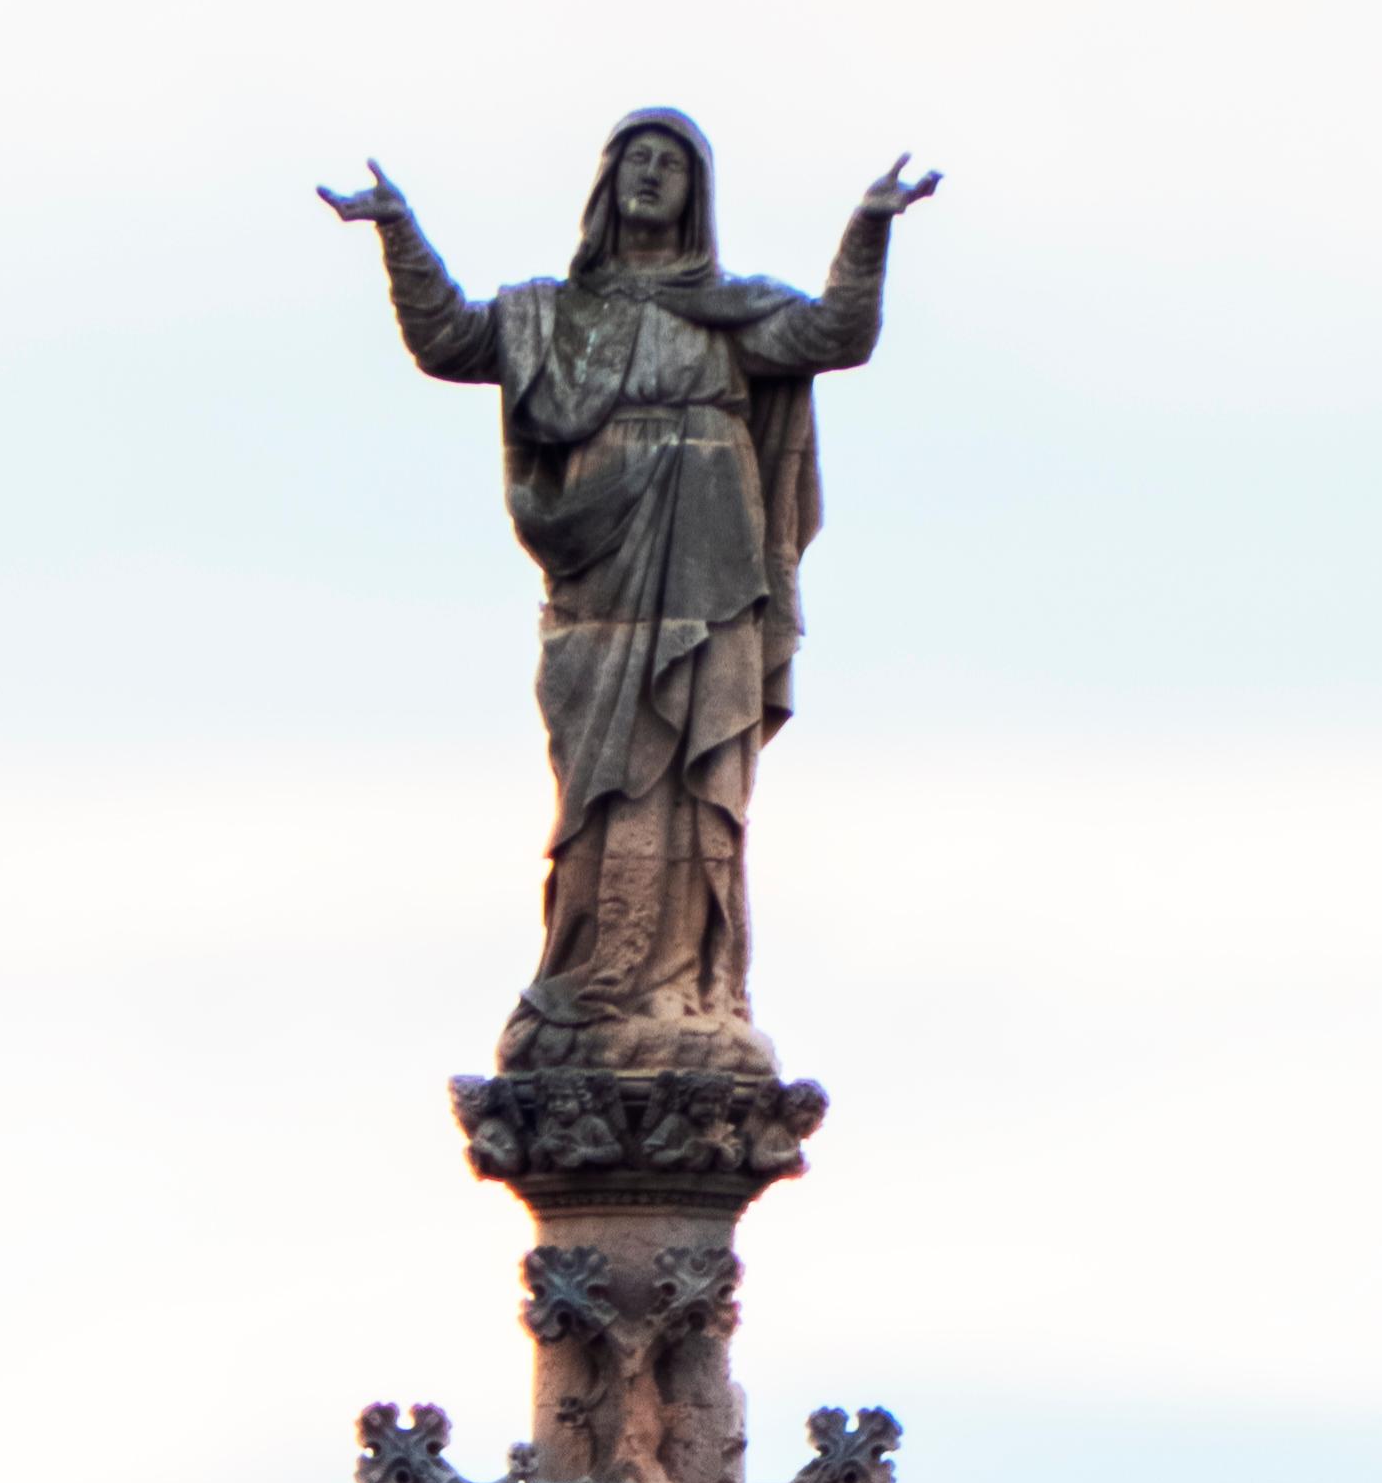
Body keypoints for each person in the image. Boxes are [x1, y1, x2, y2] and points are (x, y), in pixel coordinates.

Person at [320, 110, 936, 1070]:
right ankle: (593, 974)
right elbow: (449, 340)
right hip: (600, 572)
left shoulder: (732, 313)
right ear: (606, 186)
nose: (650, 177)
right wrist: (400, 234)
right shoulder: (553, 316)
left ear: (697, 195)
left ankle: (692, 985)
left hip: (713, 564)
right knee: (599, 780)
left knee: (702, 768)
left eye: (671, 165)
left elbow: (834, 332)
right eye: (634, 162)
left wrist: (869, 229)